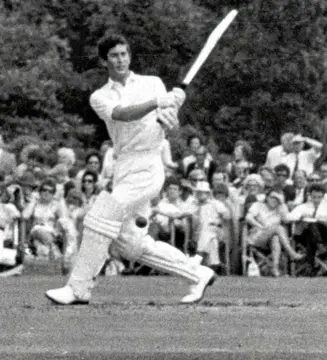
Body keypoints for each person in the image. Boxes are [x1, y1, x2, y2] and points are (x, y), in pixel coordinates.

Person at [45, 34, 214, 305]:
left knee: (101, 214)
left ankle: (78, 289)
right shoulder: (99, 96)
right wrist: (158, 102)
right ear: (104, 61)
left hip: (149, 164)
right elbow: (122, 114)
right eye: (114, 55)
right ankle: (197, 273)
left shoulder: (152, 83)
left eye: (124, 54)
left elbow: (171, 125)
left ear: (130, 56)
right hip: (124, 165)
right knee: (129, 244)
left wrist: (173, 107)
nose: (120, 60)